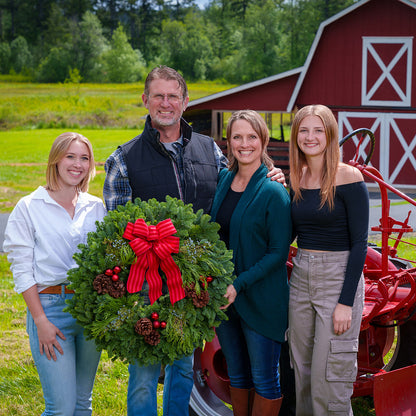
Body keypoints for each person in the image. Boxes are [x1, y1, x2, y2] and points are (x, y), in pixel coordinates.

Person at [103, 66, 286, 416]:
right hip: (147, 286)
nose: (166, 103)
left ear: (186, 102)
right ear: (145, 100)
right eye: (158, 95)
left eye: (174, 96)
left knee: (183, 368)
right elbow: (117, 235)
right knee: (143, 374)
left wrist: (271, 173)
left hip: (194, 288)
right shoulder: (123, 160)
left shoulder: (210, 152)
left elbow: (238, 192)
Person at [3, 132, 106, 416]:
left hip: (89, 310)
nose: (78, 164)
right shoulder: (29, 207)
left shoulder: (96, 207)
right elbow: (22, 270)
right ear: (55, 160)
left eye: (84, 158)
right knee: (60, 408)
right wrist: (40, 321)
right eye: (70, 156)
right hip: (50, 310)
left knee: (82, 404)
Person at [287, 104, 369, 415]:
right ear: (296, 136)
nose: (310, 137)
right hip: (301, 277)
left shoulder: (348, 176)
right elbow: (290, 233)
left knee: (330, 376)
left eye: (318, 129)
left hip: (338, 276)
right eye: (304, 130)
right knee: (303, 372)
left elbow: (360, 243)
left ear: (330, 134)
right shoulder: (298, 177)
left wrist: (345, 302)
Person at [210, 110, 292, 416]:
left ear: (264, 140)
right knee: (238, 374)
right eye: (237, 137)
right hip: (225, 299)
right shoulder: (223, 180)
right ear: (228, 142)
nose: (244, 144)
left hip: (261, 298)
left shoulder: (273, 191)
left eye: (252, 137)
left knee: (265, 379)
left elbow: (277, 253)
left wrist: (238, 284)